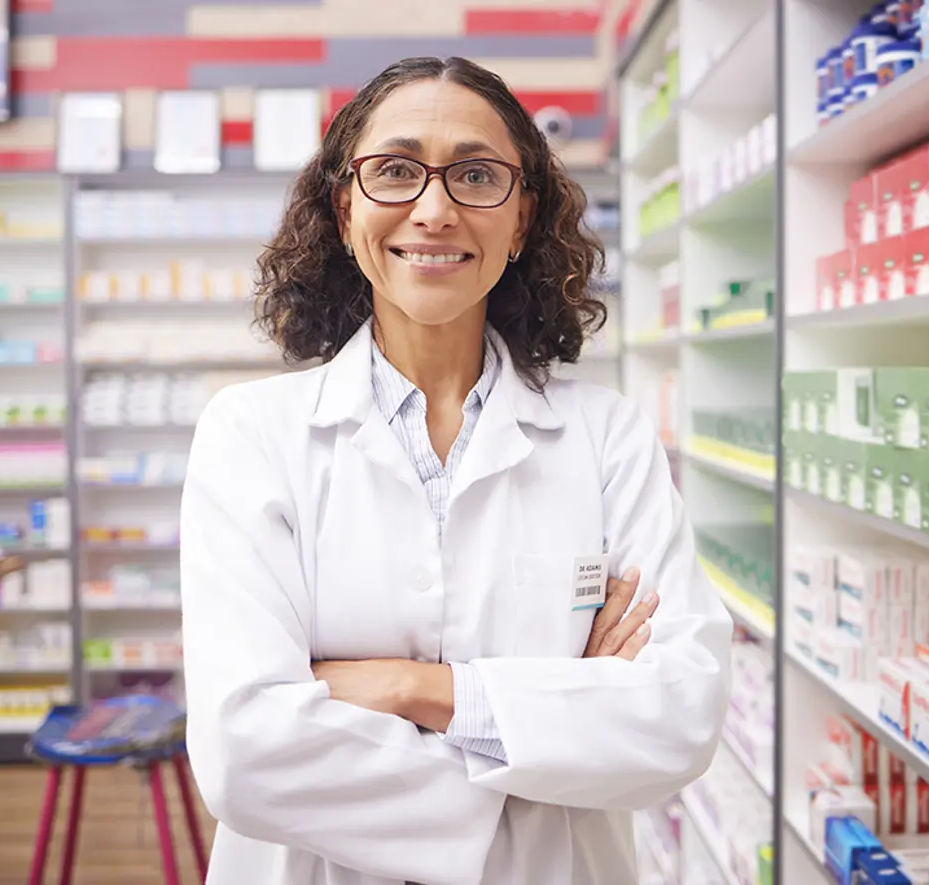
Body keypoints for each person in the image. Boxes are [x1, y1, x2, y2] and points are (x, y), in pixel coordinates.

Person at [179, 55, 733, 885]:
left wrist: (410, 689)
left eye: (476, 175)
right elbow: (243, 753)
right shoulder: (249, 434)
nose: (434, 209)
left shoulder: (607, 436)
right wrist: (552, 727)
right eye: (396, 171)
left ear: (521, 220)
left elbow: (679, 717)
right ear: (343, 208)